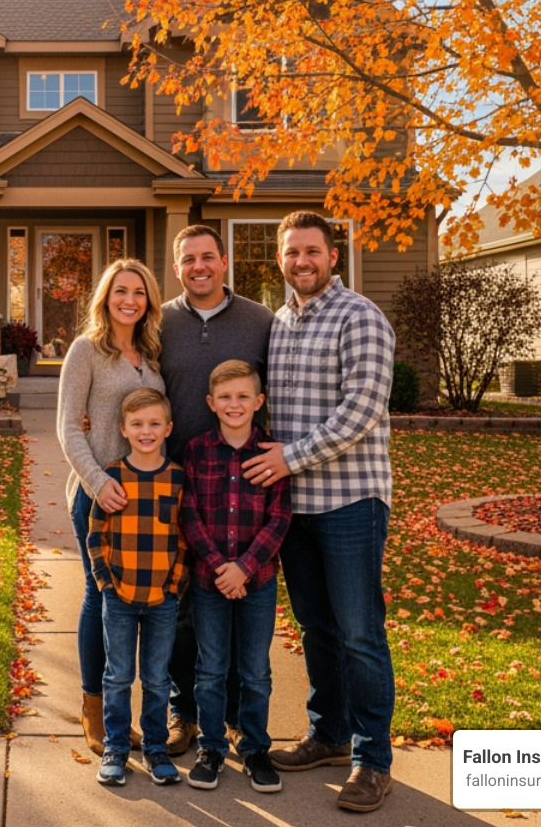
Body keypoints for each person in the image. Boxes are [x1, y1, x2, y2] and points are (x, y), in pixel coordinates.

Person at [240, 210, 396, 813]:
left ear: (333, 255)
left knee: (360, 632)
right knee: (317, 628)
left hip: (351, 500)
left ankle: (372, 758)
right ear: (279, 259)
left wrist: (289, 459)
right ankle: (328, 735)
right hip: (297, 509)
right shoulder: (279, 323)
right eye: (290, 252)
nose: (301, 261)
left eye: (312, 250)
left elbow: (360, 412)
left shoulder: (360, 317)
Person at [159, 225, 273, 755]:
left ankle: (232, 718)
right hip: (181, 482)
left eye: (208, 257)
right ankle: (184, 712)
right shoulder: (159, 320)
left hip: (245, 485)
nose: (198, 266)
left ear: (223, 262)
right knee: (184, 610)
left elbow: (278, 388)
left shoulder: (259, 321)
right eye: (188, 259)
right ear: (177, 265)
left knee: (240, 605)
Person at [57, 258, 165, 756]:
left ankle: (124, 712)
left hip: (148, 500)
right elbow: (65, 429)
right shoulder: (86, 351)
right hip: (99, 497)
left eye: (139, 292)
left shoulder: (152, 353)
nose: (130, 300)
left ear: (149, 300)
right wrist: (98, 483)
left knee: (141, 605)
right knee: (100, 598)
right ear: (106, 297)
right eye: (121, 290)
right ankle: (93, 707)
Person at [179, 360, 290, 792]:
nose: (234, 404)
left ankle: (255, 748)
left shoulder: (270, 452)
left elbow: (279, 518)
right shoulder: (197, 450)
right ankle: (211, 747)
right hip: (209, 580)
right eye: (225, 397)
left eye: (243, 396)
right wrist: (218, 566)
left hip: (257, 579)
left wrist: (243, 567)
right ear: (210, 403)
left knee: (255, 670)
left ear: (259, 401)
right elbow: (190, 513)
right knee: (210, 668)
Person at [86, 387, 186, 786]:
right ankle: (116, 746)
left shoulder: (178, 478)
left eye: (154, 424)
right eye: (138, 424)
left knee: (158, 677)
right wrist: (106, 583)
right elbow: (97, 533)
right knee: (118, 675)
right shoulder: (112, 476)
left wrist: (175, 585)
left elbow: (183, 538)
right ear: (123, 429)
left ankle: (156, 748)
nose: (146, 431)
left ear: (168, 428)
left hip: (163, 597)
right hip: (120, 596)